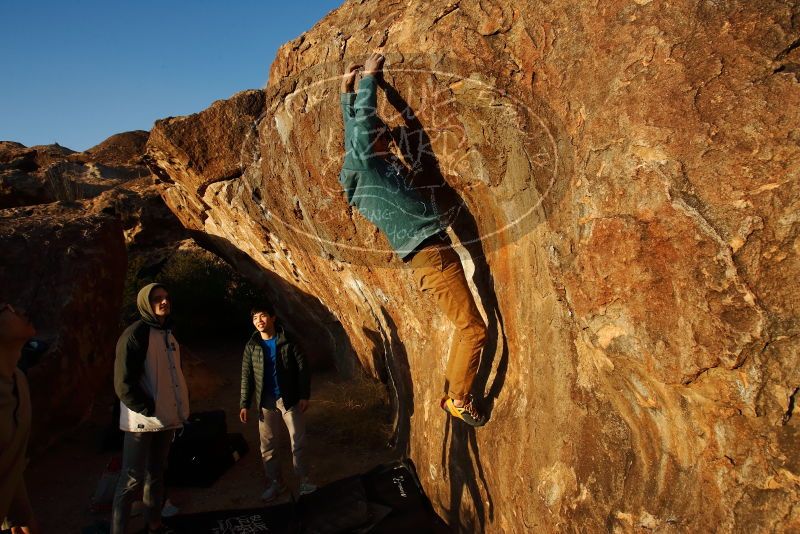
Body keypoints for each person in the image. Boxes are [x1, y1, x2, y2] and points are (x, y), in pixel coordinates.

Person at [339, 52, 488, 427]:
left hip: (429, 252)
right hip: (430, 254)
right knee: (473, 329)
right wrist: (370, 79)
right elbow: (360, 130)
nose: (389, 142)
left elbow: (353, 127)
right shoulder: (364, 165)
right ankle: (458, 398)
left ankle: (456, 394)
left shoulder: (365, 166)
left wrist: (346, 93)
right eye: (382, 138)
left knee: (468, 326)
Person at [112, 283, 189, 534]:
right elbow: (123, 384)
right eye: (157, 298)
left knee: (156, 472)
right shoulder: (135, 335)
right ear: (146, 303)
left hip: (166, 416)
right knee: (131, 478)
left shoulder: (168, 333)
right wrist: (148, 408)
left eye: (166, 297)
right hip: (142, 422)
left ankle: (154, 524)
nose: (164, 302)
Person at [239, 302, 315, 501]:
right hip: (266, 402)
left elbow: (302, 369)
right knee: (268, 445)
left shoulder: (288, 340)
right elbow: (246, 376)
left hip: (289, 399)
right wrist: (244, 404)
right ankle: (276, 483)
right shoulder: (252, 346)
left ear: (272, 318)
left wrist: (304, 395)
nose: (259, 321)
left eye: (263, 316)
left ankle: (305, 481)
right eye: (255, 318)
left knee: (298, 441)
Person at [0, 303, 39, 534]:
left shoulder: (19, 381)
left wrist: (23, 515)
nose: (21, 311)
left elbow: (10, 457)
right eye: (8, 309)